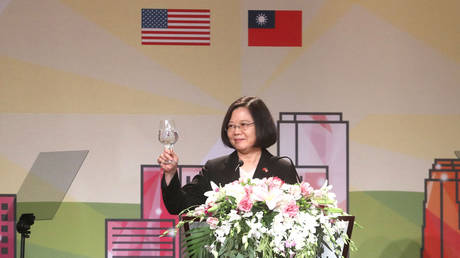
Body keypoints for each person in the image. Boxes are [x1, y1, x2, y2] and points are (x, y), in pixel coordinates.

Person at [158, 96, 299, 215]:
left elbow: (300, 213)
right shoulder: (215, 169)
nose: (236, 131)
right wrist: (170, 173)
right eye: (231, 126)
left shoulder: (281, 168)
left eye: (244, 124)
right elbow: (179, 205)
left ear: (261, 126)